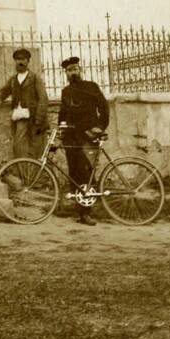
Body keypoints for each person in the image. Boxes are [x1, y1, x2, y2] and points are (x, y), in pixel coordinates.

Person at [58, 55, 110, 227]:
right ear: (65, 74)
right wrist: (60, 129)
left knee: (87, 174)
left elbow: (104, 107)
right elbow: (63, 114)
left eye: (74, 69)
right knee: (74, 174)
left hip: (88, 136)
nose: (72, 73)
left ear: (80, 70)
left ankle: (87, 212)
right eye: (68, 70)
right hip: (71, 139)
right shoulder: (66, 92)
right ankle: (80, 210)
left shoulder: (91, 87)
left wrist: (100, 127)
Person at [0, 47, 49, 160]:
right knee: (18, 147)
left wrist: (39, 119)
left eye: (23, 59)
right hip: (20, 118)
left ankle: (36, 176)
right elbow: (5, 90)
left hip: (34, 118)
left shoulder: (34, 78)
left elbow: (43, 98)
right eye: (18, 59)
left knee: (36, 148)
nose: (20, 62)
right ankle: (23, 174)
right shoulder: (13, 79)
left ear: (28, 61)